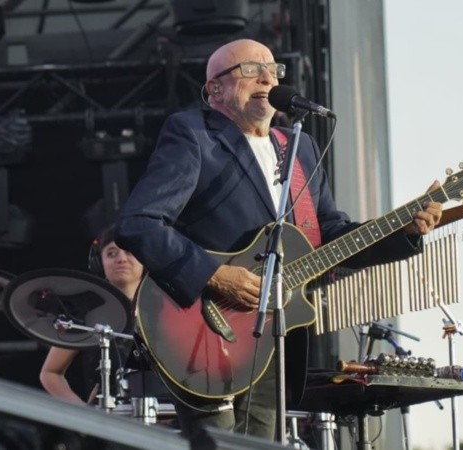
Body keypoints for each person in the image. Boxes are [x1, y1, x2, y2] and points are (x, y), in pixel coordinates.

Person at [114, 38, 442, 441]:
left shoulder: (299, 146)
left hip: (273, 336)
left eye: (272, 69)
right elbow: (139, 222)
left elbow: (331, 237)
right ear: (214, 88)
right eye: (250, 69)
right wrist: (215, 276)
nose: (267, 76)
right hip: (200, 327)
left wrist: (402, 232)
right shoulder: (194, 133)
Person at [39, 225, 145, 405]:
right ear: (99, 263)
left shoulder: (163, 310)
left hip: (163, 422)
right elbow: (50, 373)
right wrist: (83, 413)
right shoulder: (89, 314)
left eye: (129, 252)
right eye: (111, 253)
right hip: (108, 421)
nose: (121, 259)